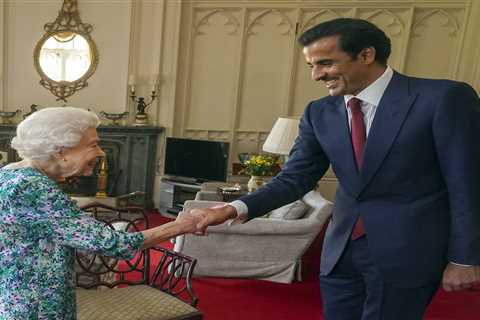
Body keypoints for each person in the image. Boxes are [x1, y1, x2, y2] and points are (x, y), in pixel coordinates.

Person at [181, 18, 480, 319]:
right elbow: (294, 179)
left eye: (325, 63)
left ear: (366, 55)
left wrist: (464, 259)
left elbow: (467, 184)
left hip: (408, 253)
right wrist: (232, 209)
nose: (316, 75)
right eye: (311, 65)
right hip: (340, 251)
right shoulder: (319, 112)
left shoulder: (443, 99)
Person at [0, 107, 201, 319]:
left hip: (17, 297)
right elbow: (113, 244)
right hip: (37, 306)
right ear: (61, 151)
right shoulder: (32, 188)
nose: (101, 152)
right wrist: (182, 225)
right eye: (93, 144)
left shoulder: (11, 175)